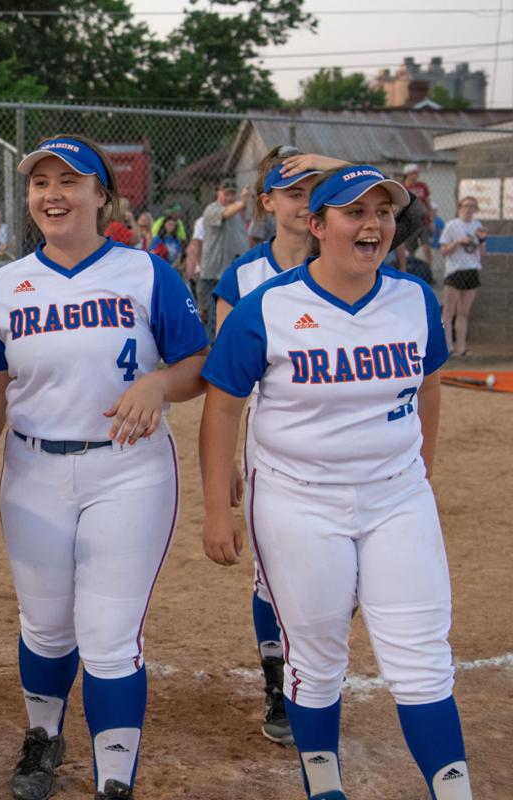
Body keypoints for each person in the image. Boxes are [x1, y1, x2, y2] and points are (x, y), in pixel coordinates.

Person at [0, 135, 208, 800]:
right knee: (45, 625)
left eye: (70, 181)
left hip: (127, 471)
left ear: (101, 195)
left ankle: (115, 777)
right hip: (33, 472)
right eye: (40, 183)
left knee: (109, 637)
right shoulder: (5, 285)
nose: (53, 194)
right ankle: (42, 736)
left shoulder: (146, 273)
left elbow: (198, 364)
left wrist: (159, 386)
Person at [201, 165, 473, 800]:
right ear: (318, 226)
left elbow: (429, 382)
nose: (372, 223)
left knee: (422, 658)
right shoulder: (266, 308)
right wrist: (219, 506)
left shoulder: (411, 299)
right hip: (299, 500)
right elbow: (220, 407)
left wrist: (420, 468)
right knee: (318, 660)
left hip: (396, 496)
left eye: (382, 212)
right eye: (354, 212)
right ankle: (325, 789)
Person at [211, 146, 349, 748]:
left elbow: (397, 206)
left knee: (344, 580)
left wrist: (330, 165)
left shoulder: (350, 262)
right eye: (292, 193)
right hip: (272, 450)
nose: (304, 204)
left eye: (315, 193)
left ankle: (313, 669)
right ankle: (279, 679)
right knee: (275, 580)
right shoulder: (242, 277)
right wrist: (233, 465)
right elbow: (226, 386)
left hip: (350, 449)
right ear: (266, 202)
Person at [198, 178, 250, 341]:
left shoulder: (237, 216)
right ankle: (212, 353)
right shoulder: (212, 210)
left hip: (230, 273)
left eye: (232, 194)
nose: (229, 197)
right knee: (213, 316)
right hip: (214, 274)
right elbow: (225, 213)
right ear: (218, 193)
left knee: (231, 315)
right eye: (226, 193)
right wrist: (242, 202)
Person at [440, 196, 486, 357]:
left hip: (471, 270)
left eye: (472, 206)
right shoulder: (451, 226)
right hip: (454, 271)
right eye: (466, 206)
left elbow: (482, 252)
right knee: (448, 312)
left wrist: (481, 240)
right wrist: (458, 242)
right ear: (460, 208)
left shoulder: (477, 225)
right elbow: (444, 251)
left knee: (464, 312)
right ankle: (447, 347)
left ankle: (461, 348)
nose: (469, 209)